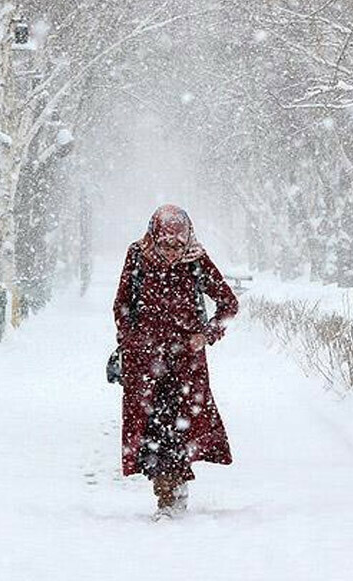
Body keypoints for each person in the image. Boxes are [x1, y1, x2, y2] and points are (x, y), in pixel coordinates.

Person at [112, 204, 239, 520]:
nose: (171, 252)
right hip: (145, 363)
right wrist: (131, 341)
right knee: (152, 430)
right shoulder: (138, 256)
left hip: (186, 365)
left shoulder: (196, 260)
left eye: (178, 245)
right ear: (154, 237)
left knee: (179, 429)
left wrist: (206, 335)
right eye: (166, 244)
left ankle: (172, 496)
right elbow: (122, 304)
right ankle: (166, 493)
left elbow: (228, 304)